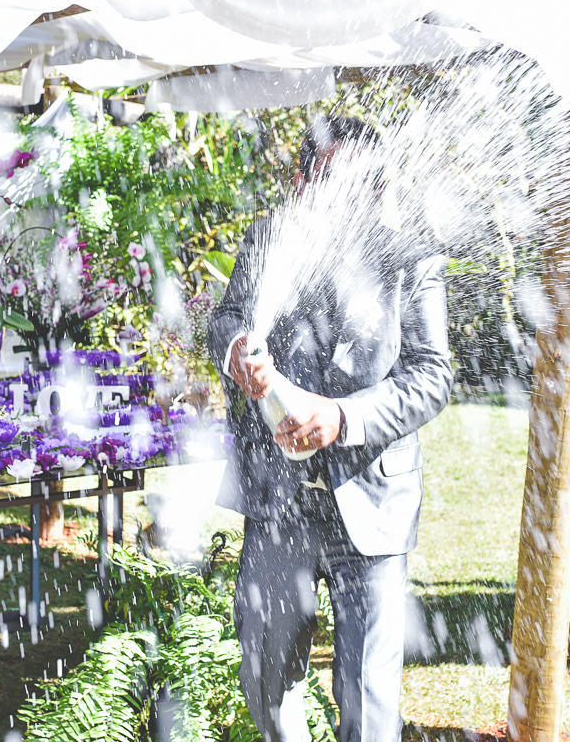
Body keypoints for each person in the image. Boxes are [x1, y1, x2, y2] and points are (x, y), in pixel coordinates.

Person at [208, 117, 453, 742]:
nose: (351, 195)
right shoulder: (268, 239)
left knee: (367, 704)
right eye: (333, 178)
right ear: (302, 179)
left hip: (372, 501)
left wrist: (342, 419)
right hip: (278, 502)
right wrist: (238, 348)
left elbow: (431, 378)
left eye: (365, 184)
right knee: (265, 675)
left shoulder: (412, 259)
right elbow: (228, 319)